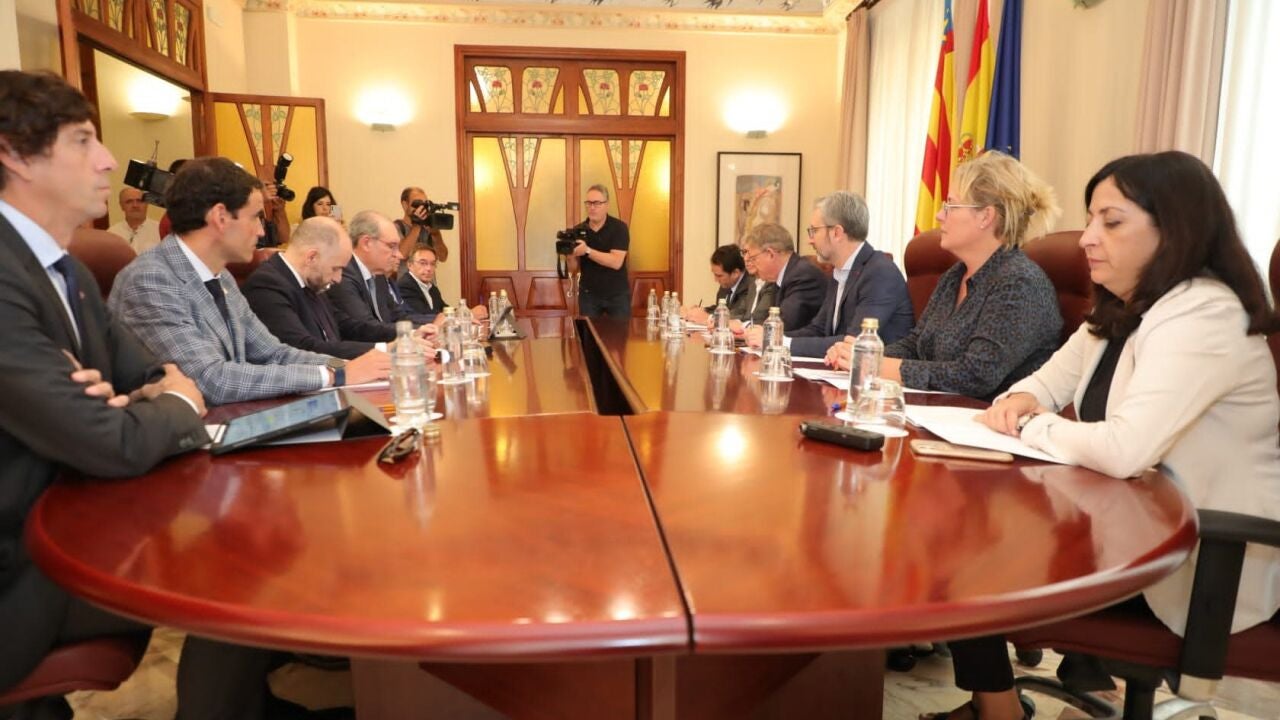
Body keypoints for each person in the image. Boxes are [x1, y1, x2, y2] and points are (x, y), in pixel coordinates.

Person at [920, 151, 1280, 720]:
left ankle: (1002, 708)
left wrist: (1032, 422)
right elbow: (1040, 384)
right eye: (1091, 219)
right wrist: (1022, 402)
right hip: (1127, 524)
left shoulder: (1204, 314)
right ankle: (999, 705)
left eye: (1110, 222)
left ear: (1175, 230)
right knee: (951, 523)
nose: (1087, 237)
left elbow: (1122, 450)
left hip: (1199, 561)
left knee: (964, 542)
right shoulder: (1125, 307)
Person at [0, 68, 302, 720]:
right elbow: (122, 431)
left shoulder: (68, 269)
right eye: (83, 140)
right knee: (239, 562)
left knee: (257, 535)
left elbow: (147, 379)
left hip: (78, 515)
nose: (109, 160)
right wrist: (157, 404)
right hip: (19, 569)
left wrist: (136, 402)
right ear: (14, 154)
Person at [109, 157, 388, 406]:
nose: (260, 230)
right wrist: (335, 375)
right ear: (220, 217)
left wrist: (355, 367)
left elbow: (274, 353)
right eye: (255, 217)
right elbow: (210, 379)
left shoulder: (222, 276)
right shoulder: (150, 279)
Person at [826, 151, 1061, 400]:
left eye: (950, 206)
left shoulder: (1019, 283)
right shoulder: (954, 276)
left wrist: (882, 367)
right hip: (938, 410)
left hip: (987, 418)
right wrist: (863, 355)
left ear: (986, 216)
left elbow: (976, 376)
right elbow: (917, 344)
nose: (939, 215)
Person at [745, 191, 913, 355]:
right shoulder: (839, 271)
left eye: (814, 231)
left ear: (837, 233)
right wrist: (774, 337)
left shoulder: (879, 273)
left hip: (876, 371)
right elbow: (818, 329)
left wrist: (779, 342)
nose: (809, 240)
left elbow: (854, 342)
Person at [242, 216, 425, 361]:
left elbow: (348, 325)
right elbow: (303, 347)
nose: (338, 279)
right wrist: (385, 349)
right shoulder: (267, 285)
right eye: (336, 268)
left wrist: (409, 334)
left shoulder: (312, 279)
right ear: (312, 257)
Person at [739, 222, 825, 331]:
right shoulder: (781, 277)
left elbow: (783, 325)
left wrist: (749, 330)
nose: (752, 264)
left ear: (770, 254)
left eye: (754, 258)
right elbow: (766, 319)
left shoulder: (803, 276)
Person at [568, 183, 632, 318]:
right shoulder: (578, 230)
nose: (592, 207)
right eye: (588, 203)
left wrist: (587, 251)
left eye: (597, 203)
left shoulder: (619, 228)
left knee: (619, 331)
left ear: (607, 204)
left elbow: (616, 262)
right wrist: (570, 255)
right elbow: (573, 269)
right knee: (588, 331)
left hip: (617, 295)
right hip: (589, 295)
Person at [682, 245, 755, 325]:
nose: (715, 280)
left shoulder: (751, 286)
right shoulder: (727, 284)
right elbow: (720, 308)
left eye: (719, 276)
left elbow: (739, 315)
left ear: (735, 273)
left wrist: (708, 317)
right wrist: (702, 310)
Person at [395, 186, 448, 262]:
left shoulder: (427, 228)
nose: (421, 207)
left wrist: (436, 235)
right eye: (417, 203)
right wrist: (417, 225)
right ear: (405, 205)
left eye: (424, 204)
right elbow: (402, 254)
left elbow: (443, 257)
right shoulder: (396, 227)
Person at [106, 186, 161, 252]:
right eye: (129, 201)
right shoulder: (112, 233)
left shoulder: (160, 230)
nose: (135, 205)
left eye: (139, 201)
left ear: (147, 204)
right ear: (121, 206)